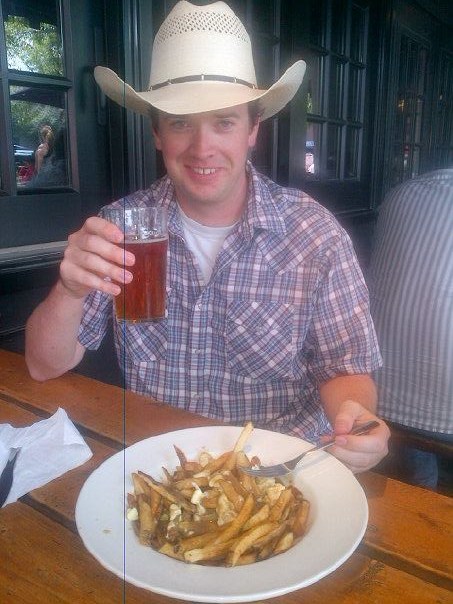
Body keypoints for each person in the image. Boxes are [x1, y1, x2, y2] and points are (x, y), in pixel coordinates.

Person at [25, 0, 389, 473]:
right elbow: (42, 365)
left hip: (275, 477)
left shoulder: (314, 235)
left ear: (253, 130)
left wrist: (354, 422)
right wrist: (70, 290)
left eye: (224, 121)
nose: (202, 148)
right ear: (157, 133)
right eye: (180, 123)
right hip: (161, 473)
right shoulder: (120, 228)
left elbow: (346, 368)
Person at [368, 169, 453, 488]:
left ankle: (422, 492)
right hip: (444, 410)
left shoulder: (401, 195)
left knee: (416, 475)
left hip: (378, 391)